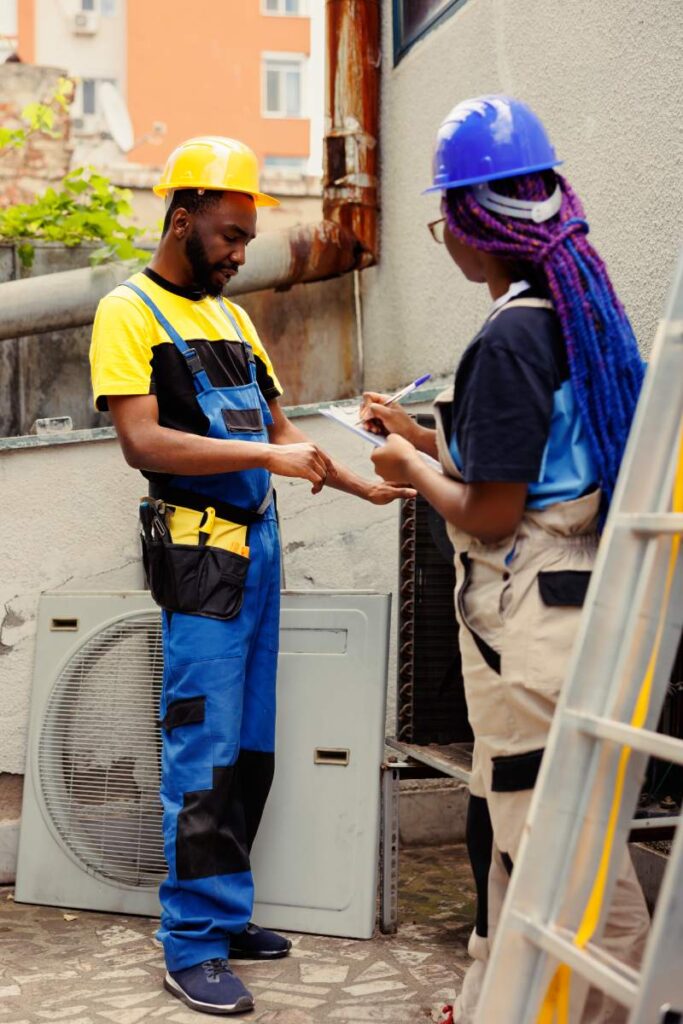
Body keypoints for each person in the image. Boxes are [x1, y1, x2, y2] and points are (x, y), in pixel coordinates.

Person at [89, 135, 412, 1017]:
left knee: (251, 750)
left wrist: (365, 482)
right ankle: (188, 944)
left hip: (258, 551)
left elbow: (286, 434)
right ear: (182, 219)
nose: (240, 256)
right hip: (199, 560)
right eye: (229, 236)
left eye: (245, 239)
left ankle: (225, 916)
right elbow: (142, 443)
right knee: (202, 752)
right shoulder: (129, 312)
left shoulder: (231, 317)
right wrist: (268, 454)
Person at [365, 96, 650, 1023]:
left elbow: (490, 517)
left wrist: (409, 468)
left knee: (565, 868)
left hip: (530, 634)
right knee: (520, 841)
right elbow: (531, 468)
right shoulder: (574, 315)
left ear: (466, 227)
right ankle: (494, 1002)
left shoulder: (507, 337)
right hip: (582, 614)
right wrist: (422, 435)